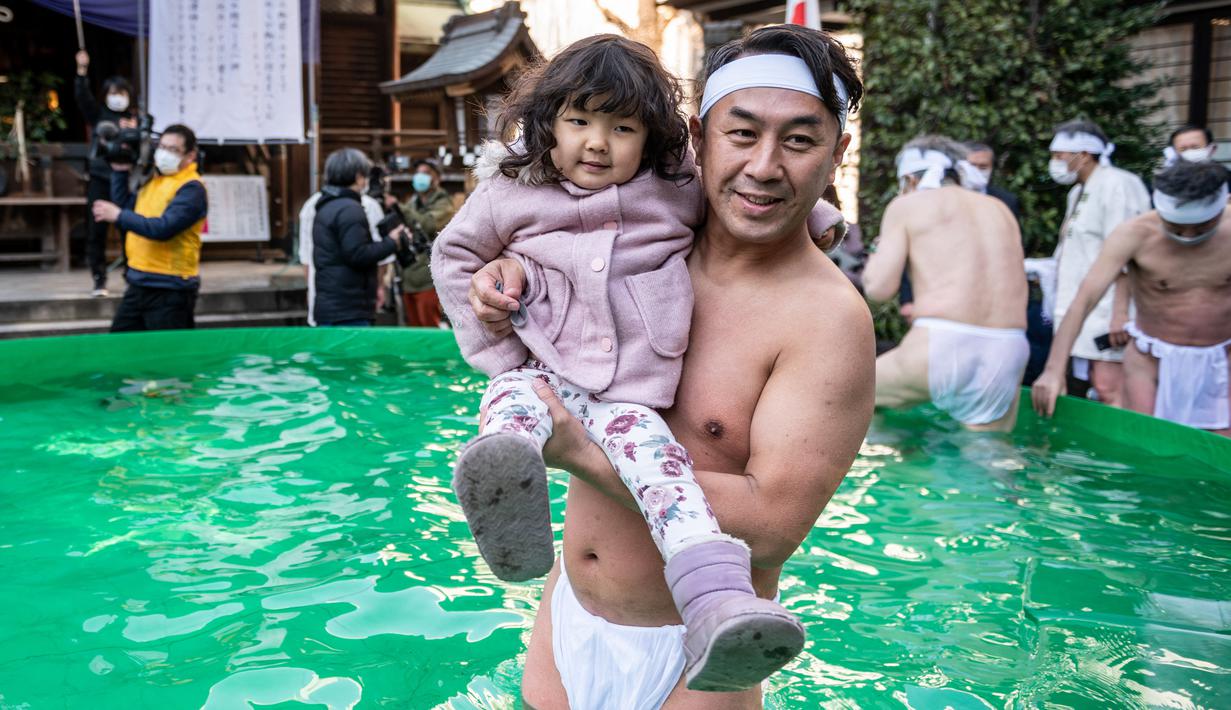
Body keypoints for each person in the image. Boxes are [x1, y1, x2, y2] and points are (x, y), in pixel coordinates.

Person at [455, 25, 873, 708]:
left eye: (798, 141)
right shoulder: (630, 240)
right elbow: (529, 239)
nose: (764, 167)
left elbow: (772, 525)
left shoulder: (825, 319)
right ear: (695, 138)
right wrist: (503, 277)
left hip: (696, 653)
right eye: (741, 134)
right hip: (567, 613)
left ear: (836, 151)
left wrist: (579, 454)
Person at [1032, 160, 1231, 437]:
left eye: (1199, 228)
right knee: (1146, 444)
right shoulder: (1134, 233)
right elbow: (1084, 299)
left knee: (1221, 457)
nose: (1187, 236)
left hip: (1222, 357)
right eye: (1175, 227)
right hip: (1151, 360)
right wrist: (1053, 371)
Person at [862, 135, 1030, 431]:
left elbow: (878, 288)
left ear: (910, 179)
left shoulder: (909, 205)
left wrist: (877, 249)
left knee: (848, 399)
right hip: (1009, 348)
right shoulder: (1000, 210)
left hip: (942, 341)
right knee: (987, 459)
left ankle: (899, 461)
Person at [1048, 119, 1150, 406]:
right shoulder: (1076, 192)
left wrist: (1121, 312)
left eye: (1060, 156)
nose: (1055, 163)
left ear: (1084, 154)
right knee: (1088, 383)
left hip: (1108, 308)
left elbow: (1128, 252)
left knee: (1109, 385)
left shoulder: (1119, 184)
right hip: (1079, 305)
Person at [91, 124, 207, 332]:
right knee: (119, 347)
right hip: (139, 283)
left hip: (171, 288)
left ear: (190, 156)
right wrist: (119, 172)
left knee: (166, 359)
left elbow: (162, 229)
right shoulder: (154, 180)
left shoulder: (192, 188)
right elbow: (127, 210)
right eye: (161, 147)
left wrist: (118, 214)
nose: (163, 154)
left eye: (173, 150)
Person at [308, 148, 406, 327]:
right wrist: (392, 242)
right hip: (349, 309)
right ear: (358, 176)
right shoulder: (351, 209)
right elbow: (358, 254)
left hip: (331, 304)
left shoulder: (325, 206)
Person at [75, 49, 139, 297]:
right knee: (97, 229)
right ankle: (99, 278)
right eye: (113, 94)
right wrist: (82, 71)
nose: (117, 98)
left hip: (128, 180)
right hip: (101, 177)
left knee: (129, 227)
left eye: (121, 93)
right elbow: (82, 97)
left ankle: (131, 274)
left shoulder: (135, 119)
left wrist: (135, 132)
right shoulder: (99, 114)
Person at [397, 159, 454, 327]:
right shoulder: (412, 203)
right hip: (409, 278)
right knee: (414, 333)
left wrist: (398, 208)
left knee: (430, 330)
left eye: (427, 173)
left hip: (428, 279)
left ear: (437, 179)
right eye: (418, 173)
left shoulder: (445, 204)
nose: (421, 177)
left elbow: (427, 224)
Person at [962, 141, 1023, 225]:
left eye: (983, 167)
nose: (976, 171)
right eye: (971, 166)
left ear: (991, 168)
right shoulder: (946, 198)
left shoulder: (1007, 201)